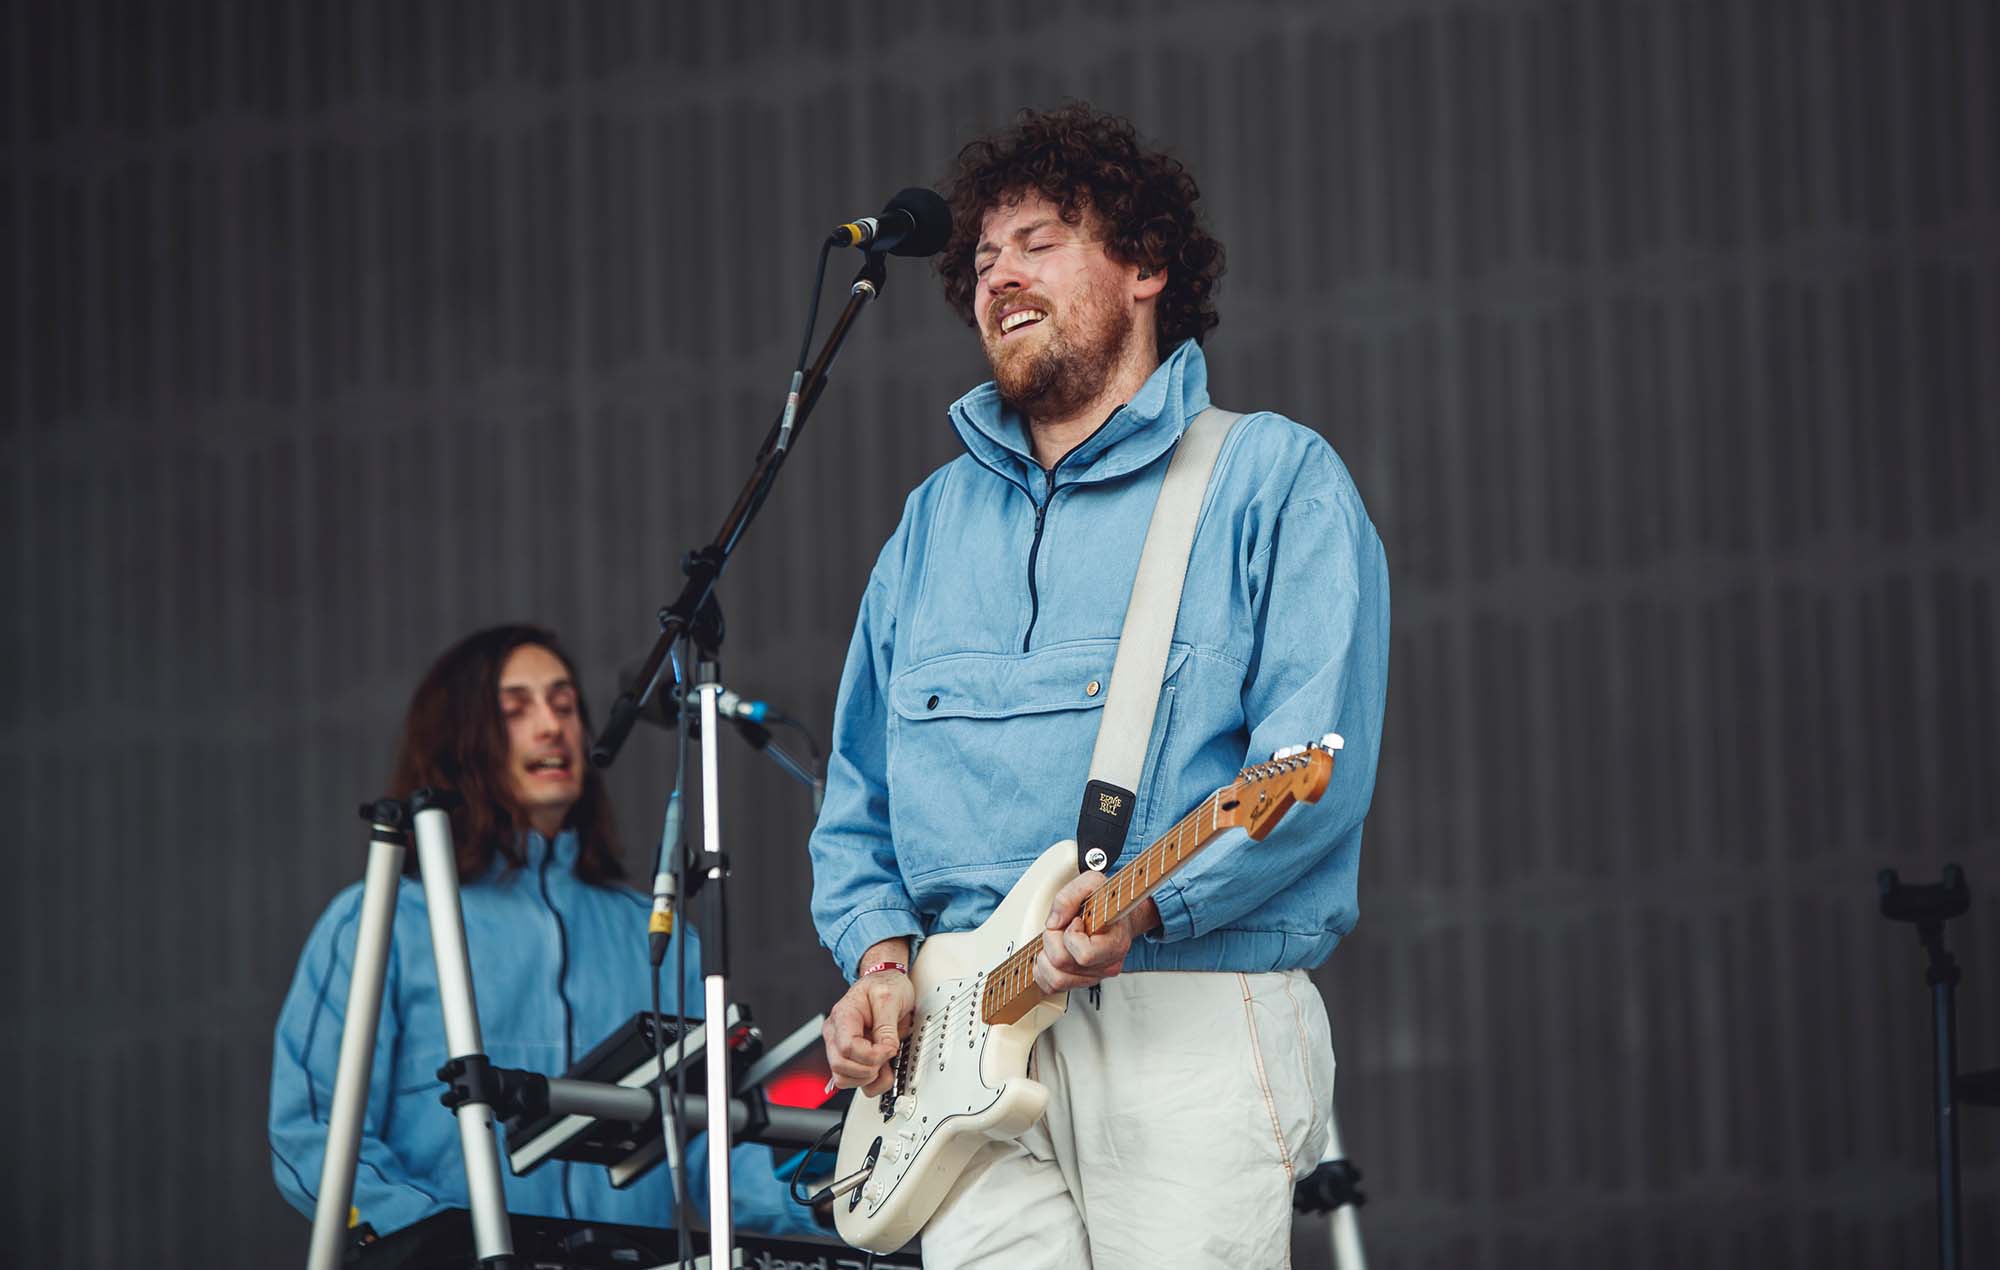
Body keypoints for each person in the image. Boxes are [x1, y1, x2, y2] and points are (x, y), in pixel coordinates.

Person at [807, 104, 1389, 1267]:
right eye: (980, 258)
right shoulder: (928, 526)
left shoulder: (1270, 477)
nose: (997, 275)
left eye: (1037, 241)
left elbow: (1309, 769)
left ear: (1145, 266)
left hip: (1183, 1019)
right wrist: (876, 965)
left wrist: (1147, 905)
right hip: (953, 1051)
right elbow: (855, 800)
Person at [270, 624, 822, 1241]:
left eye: (564, 705)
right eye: (516, 709)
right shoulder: (378, 923)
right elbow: (313, 1133)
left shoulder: (659, 934)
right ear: (459, 740)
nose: (551, 726)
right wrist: (433, 1241)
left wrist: (840, 1201)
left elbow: (710, 1147)